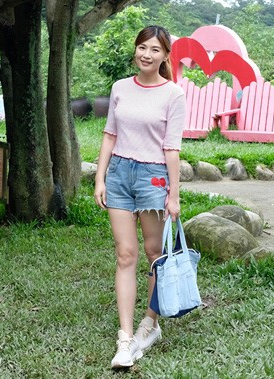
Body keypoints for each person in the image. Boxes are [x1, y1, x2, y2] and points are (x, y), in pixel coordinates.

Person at [94, 25, 186, 369]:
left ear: (165, 56)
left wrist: (173, 194)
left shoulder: (173, 94)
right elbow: (109, 135)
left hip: (153, 177)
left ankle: (151, 323)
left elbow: (172, 148)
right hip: (119, 175)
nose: (146, 55)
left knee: (153, 253)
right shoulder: (120, 88)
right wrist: (100, 178)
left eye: (155, 50)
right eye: (142, 47)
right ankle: (125, 337)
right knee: (124, 254)